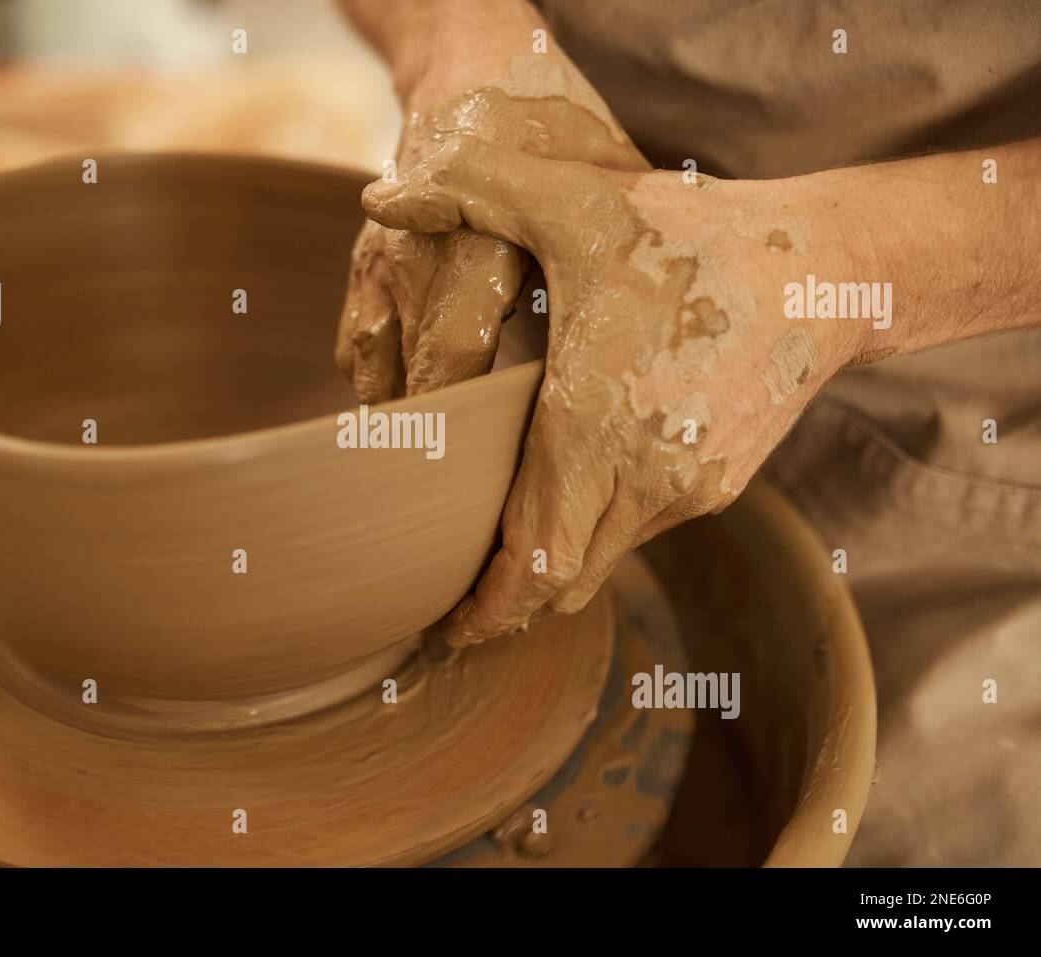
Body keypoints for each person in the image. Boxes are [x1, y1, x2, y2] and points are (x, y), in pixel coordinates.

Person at [335, 0, 1041, 866]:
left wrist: (844, 262)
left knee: (928, 859)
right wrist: (458, 46)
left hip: (968, 407)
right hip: (540, 259)